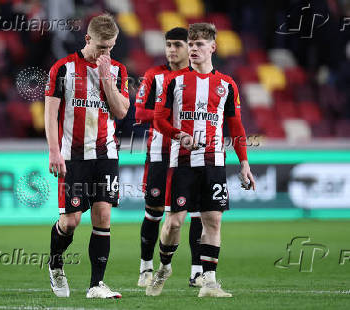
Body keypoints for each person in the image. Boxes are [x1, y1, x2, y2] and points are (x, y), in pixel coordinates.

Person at [147, 23, 256, 298]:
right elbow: (159, 119)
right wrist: (178, 135)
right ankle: (164, 267)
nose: (193, 49)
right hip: (181, 162)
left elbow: (236, 127)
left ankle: (209, 281)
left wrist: (244, 162)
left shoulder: (227, 85)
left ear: (212, 48)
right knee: (173, 223)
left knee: (213, 221)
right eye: (191, 44)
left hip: (214, 162)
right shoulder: (174, 81)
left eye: (199, 44)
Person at [44, 14, 129, 299]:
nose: (107, 53)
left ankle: (96, 285)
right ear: (88, 39)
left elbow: (121, 112)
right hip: (72, 156)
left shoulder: (117, 70)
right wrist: (54, 151)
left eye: (111, 47)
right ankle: (55, 264)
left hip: (105, 153)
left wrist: (106, 78)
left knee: (103, 215)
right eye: (102, 47)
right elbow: (51, 113)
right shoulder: (63, 69)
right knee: (70, 222)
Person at [135, 27, 204, 288]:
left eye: (177, 44)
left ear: (190, 48)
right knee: (153, 210)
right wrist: (168, 116)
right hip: (159, 152)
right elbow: (140, 113)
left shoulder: (200, 77)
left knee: (196, 210)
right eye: (168, 45)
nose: (171, 50)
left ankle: (197, 271)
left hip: (191, 154)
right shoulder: (155, 75)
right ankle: (145, 267)